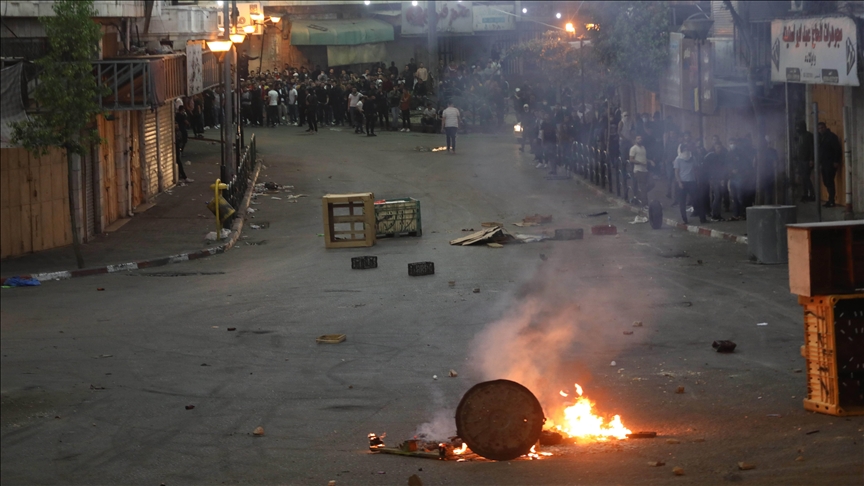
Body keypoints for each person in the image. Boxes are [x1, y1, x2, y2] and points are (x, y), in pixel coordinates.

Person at [674, 142, 701, 224]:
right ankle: (684, 219)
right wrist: (679, 182)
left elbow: (696, 170)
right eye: (684, 150)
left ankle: (701, 217)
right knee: (682, 202)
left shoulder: (692, 158)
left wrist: (697, 180)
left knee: (696, 199)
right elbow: (676, 172)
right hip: (683, 183)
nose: (686, 151)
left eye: (687, 149)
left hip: (692, 182)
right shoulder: (678, 159)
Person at [817, 122, 842, 207]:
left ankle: (831, 200)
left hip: (830, 162)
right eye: (819, 128)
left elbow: (837, 149)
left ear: (825, 127)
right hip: (823, 162)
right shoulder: (819, 137)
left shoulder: (831, 136)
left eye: (822, 127)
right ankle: (830, 200)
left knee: (829, 181)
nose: (821, 129)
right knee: (826, 181)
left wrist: (836, 161)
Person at [629, 135, 654, 205]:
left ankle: (638, 196)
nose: (640, 139)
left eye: (641, 138)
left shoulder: (643, 147)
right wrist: (640, 163)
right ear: (635, 140)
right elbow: (631, 159)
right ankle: (645, 204)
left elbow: (644, 158)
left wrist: (650, 161)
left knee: (652, 184)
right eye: (638, 138)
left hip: (645, 169)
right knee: (643, 187)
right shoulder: (633, 148)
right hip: (638, 170)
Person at [794, 122, 815, 201]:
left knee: (806, 177)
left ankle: (811, 194)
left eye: (799, 127)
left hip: (806, 160)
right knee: (803, 178)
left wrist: (811, 159)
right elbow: (798, 148)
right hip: (800, 160)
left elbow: (812, 148)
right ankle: (805, 194)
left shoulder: (808, 135)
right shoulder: (799, 136)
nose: (797, 129)